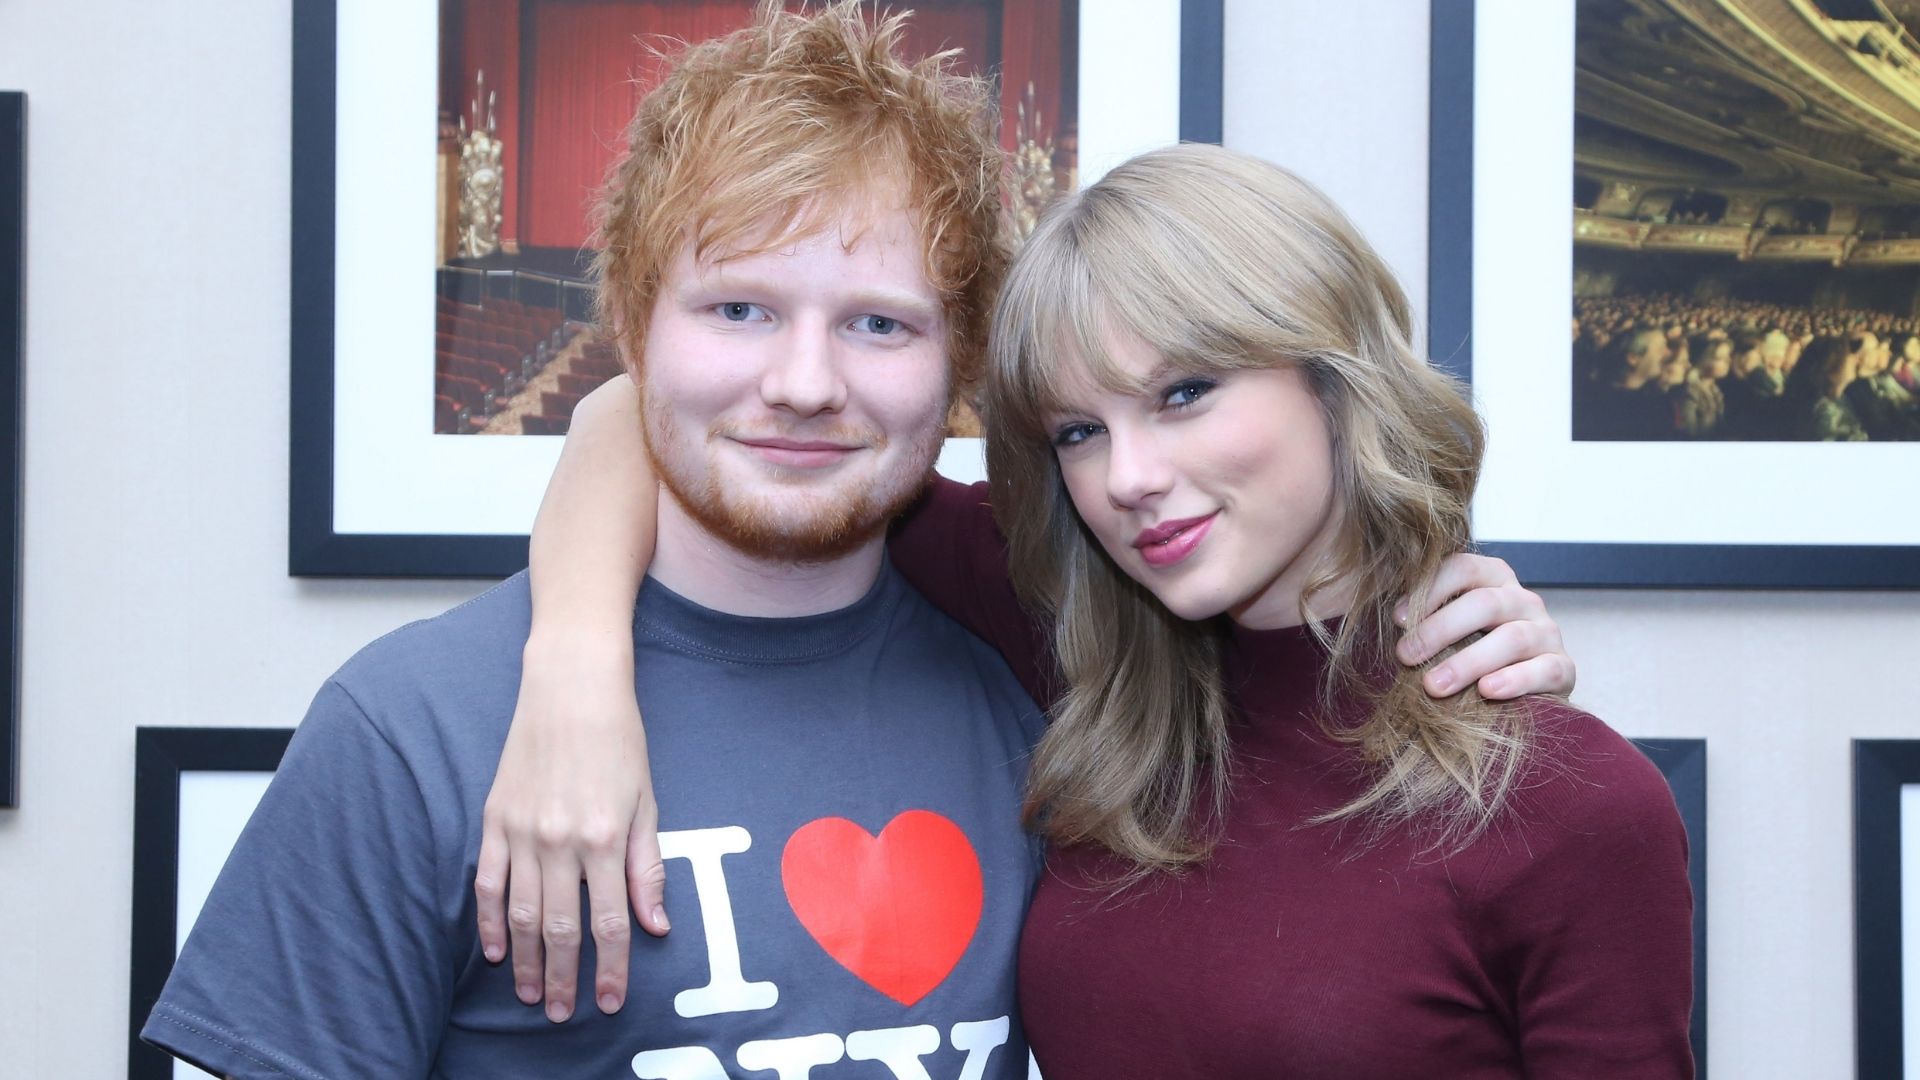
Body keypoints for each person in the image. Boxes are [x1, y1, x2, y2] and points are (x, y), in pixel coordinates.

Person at [494, 146, 1689, 1073]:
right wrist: (577, 677)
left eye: (1183, 393)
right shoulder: (1088, 656)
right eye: (1079, 430)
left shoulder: (1572, 809)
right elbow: (632, 417)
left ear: (1336, 378)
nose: (1127, 478)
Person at [143, 7, 1048, 1075]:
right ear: (631, 327)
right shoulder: (411, 731)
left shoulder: (1033, 688)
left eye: (878, 324)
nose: (806, 384)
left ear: (959, 364)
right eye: (740, 310)